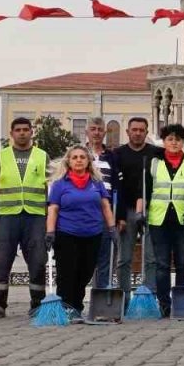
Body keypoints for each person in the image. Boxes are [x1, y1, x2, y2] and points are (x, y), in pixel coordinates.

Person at [0, 117, 50, 319]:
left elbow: (52, 187)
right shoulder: (2, 156)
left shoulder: (42, 156)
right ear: (11, 133)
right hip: (7, 217)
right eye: (18, 130)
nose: (22, 133)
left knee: (38, 261)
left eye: (25, 129)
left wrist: (51, 217)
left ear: (31, 132)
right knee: (2, 261)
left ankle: (37, 304)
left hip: (35, 217)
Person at [145, 124, 184, 317]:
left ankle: (181, 302)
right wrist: (140, 213)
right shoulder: (154, 164)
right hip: (159, 220)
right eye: (170, 139)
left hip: (183, 220)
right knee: (162, 264)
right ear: (164, 142)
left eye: (178, 139)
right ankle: (164, 303)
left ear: (183, 142)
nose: (174, 143)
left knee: (183, 263)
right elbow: (145, 191)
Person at [46, 146, 114, 314]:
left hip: (93, 233)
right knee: (67, 272)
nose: (78, 160)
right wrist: (50, 232)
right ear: (68, 161)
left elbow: (105, 206)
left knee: (86, 272)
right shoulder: (60, 184)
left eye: (82, 157)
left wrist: (112, 228)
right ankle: (67, 307)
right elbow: (53, 209)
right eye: (74, 157)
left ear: (88, 161)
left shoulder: (96, 183)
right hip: (67, 233)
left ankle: (76, 305)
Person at [109, 117, 163, 304]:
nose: (138, 133)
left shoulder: (156, 153)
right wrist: (119, 216)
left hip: (151, 210)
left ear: (147, 132)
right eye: (134, 130)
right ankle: (124, 298)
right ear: (128, 132)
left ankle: (149, 298)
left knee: (151, 258)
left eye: (141, 130)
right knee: (123, 258)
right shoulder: (118, 154)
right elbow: (115, 185)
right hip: (126, 211)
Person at [85, 118, 119, 289]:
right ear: (87, 132)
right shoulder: (79, 155)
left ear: (104, 133)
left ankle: (102, 292)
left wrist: (119, 216)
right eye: (93, 129)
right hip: (83, 212)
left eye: (99, 129)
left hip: (106, 212)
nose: (96, 132)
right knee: (84, 256)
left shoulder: (112, 157)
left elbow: (118, 185)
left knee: (106, 255)